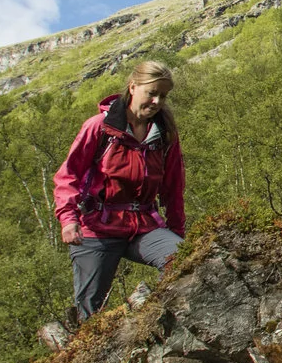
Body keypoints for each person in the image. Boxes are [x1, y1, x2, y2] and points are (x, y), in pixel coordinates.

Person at [53, 60, 186, 320]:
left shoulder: (165, 134)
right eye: (152, 93)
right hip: (96, 228)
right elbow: (67, 175)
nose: (158, 101)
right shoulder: (99, 128)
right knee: (90, 312)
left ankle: (152, 321)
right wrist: (68, 220)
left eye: (163, 96)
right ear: (133, 86)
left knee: (183, 260)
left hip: (144, 226)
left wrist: (177, 232)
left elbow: (173, 187)